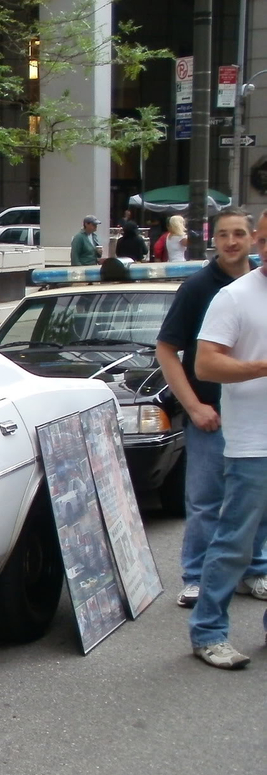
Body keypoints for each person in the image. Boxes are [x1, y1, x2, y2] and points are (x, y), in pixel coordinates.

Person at [156, 208, 267, 608]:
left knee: (256, 501)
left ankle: (256, 569)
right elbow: (167, 350)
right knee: (205, 500)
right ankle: (197, 576)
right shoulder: (199, 288)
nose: (232, 242)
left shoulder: (261, 282)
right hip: (212, 416)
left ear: (253, 238)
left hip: (257, 417)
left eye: (240, 233)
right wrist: (195, 405)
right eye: (224, 235)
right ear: (213, 240)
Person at [185, 210, 267, 669]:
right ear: (259, 241)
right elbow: (205, 365)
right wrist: (261, 365)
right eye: (266, 239)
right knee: (234, 542)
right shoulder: (233, 297)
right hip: (253, 444)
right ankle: (209, 631)